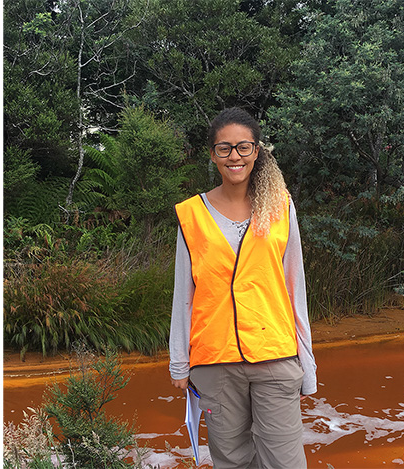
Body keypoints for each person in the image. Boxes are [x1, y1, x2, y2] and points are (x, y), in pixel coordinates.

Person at [169, 107, 317, 468]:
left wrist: (307, 361)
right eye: (225, 148)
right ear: (213, 154)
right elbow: (183, 296)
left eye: (243, 147)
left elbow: (294, 285)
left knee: (285, 462)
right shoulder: (191, 214)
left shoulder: (280, 207)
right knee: (232, 462)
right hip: (215, 361)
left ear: (257, 151)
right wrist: (179, 362)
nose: (234, 156)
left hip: (275, 355)